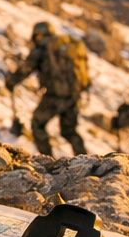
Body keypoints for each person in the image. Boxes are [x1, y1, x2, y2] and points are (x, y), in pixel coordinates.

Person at [6, 21, 90, 156]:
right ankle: (88, 162)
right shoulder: (65, 47)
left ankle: (48, 160)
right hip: (74, 96)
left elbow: (25, 69)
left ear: (39, 34)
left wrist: (11, 81)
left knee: (37, 125)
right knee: (69, 131)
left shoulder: (42, 48)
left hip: (54, 97)